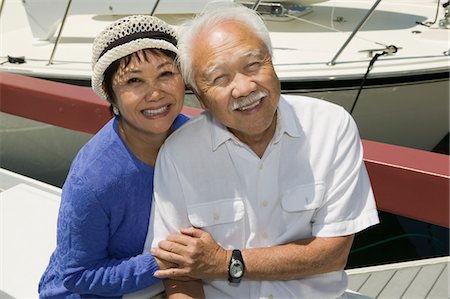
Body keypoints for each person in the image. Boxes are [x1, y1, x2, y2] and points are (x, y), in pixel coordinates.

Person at [144, 3, 380, 298]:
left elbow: (333, 254)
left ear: (272, 62)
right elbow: (178, 273)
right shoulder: (179, 154)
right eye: (220, 78)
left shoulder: (331, 127)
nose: (243, 88)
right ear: (201, 98)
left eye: (253, 65)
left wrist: (226, 263)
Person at [38, 15, 195, 298]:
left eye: (166, 74)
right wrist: (162, 260)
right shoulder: (93, 180)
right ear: (111, 97)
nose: (156, 92)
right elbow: (78, 276)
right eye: (134, 80)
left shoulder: (195, 137)